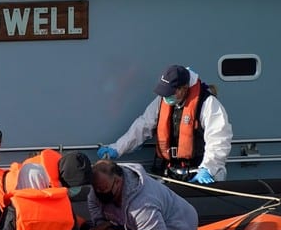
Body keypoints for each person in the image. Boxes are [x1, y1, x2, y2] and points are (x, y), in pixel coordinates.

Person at [98, 64, 232, 184]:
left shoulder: (207, 104)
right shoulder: (162, 101)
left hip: (198, 173)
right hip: (169, 172)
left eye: (169, 93)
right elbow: (143, 126)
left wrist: (208, 168)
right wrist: (117, 148)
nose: (166, 97)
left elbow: (219, 138)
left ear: (183, 89)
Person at [87, 158, 199, 230]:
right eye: (96, 189)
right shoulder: (99, 188)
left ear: (117, 181)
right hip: (136, 227)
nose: (99, 193)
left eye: (103, 189)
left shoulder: (142, 204)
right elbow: (93, 202)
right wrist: (101, 223)